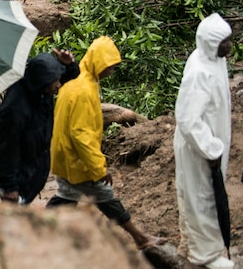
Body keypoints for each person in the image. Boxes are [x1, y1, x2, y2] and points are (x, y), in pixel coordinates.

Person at [47, 37, 162, 249]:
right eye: (110, 66)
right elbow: (81, 134)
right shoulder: (84, 90)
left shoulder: (79, 79)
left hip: (64, 155)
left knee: (65, 198)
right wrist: (98, 167)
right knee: (105, 197)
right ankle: (141, 238)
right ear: (99, 62)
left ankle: (37, 230)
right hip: (77, 160)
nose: (112, 71)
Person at [173, 13, 235, 269]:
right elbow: (187, 119)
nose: (230, 46)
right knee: (203, 198)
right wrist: (210, 148)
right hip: (200, 147)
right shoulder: (200, 72)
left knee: (194, 195)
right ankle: (205, 253)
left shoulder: (212, 60)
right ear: (211, 43)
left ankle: (189, 242)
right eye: (224, 42)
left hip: (207, 143)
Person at [0, 48, 80, 204]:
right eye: (54, 81)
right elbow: (7, 149)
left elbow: (68, 77)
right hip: (13, 178)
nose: (58, 85)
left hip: (31, 168)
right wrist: (10, 187)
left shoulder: (40, 89)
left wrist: (68, 65)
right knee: (12, 219)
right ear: (43, 81)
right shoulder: (16, 109)